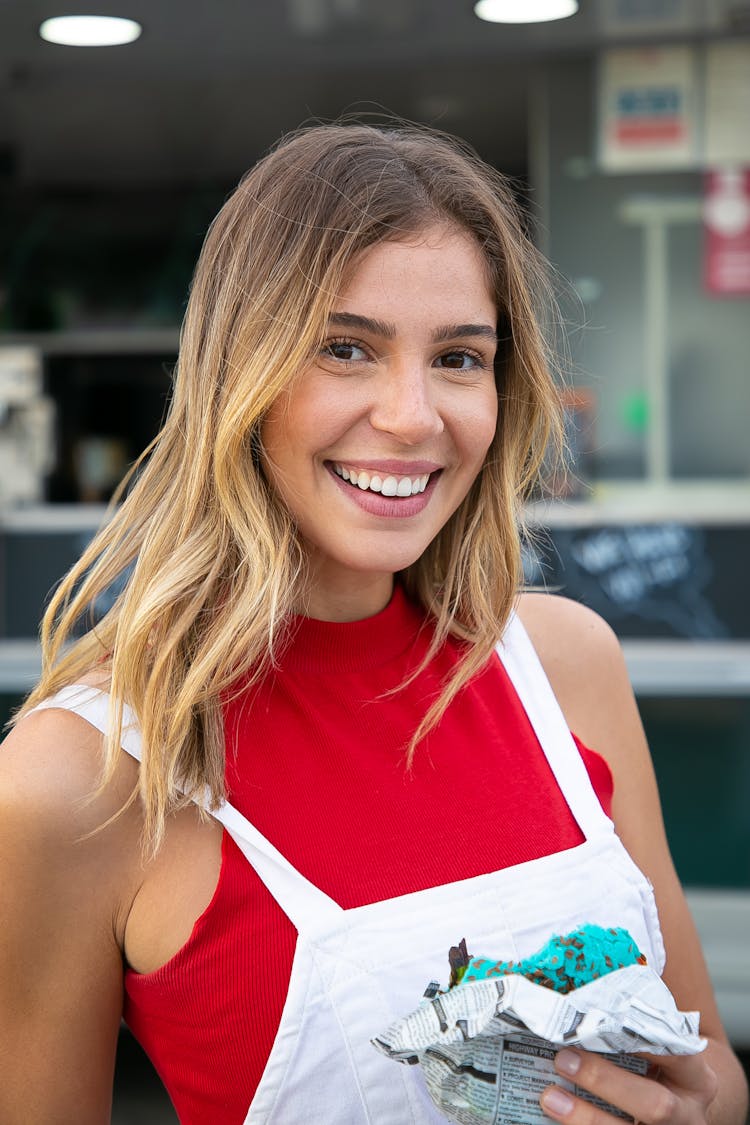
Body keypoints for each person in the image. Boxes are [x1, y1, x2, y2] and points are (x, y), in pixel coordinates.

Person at [0, 122, 746, 1125]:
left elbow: (712, 1078)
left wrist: (698, 1111)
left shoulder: (565, 664)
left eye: (459, 358)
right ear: (239, 379)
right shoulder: (76, 781)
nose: (412, 414)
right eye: (345, 349)